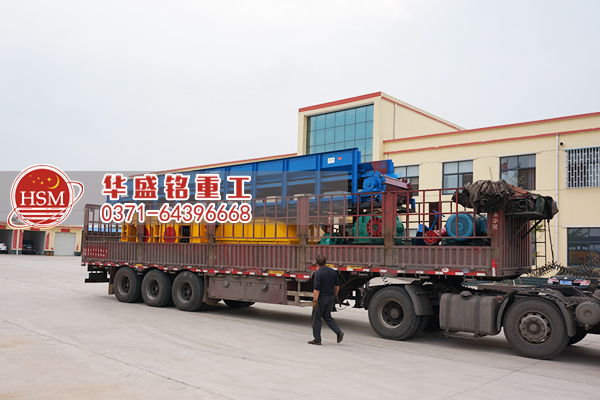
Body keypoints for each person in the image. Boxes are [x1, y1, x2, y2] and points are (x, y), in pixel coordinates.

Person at [308, 255, 344, 345]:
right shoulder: (333, 272)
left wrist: (315, 301)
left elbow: (316, 289)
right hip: (330, 297)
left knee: (316, 318)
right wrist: (335, 295)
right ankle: (338, 332)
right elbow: (337, 285)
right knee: (327, 316)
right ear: (326, 261)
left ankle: (317, 339)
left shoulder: (318, 273)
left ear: (316, 263)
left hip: (321, 298)